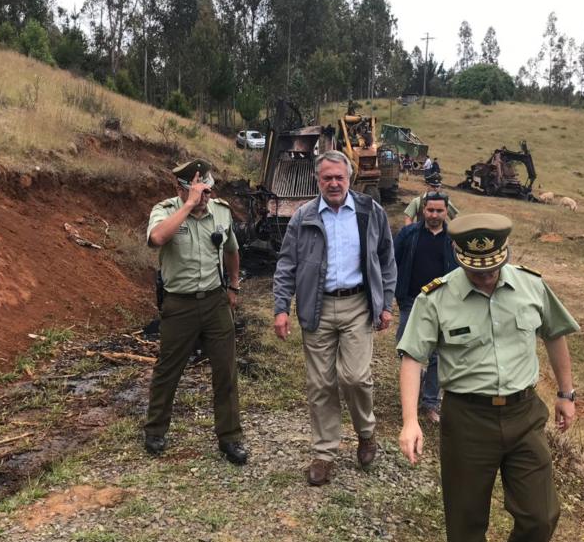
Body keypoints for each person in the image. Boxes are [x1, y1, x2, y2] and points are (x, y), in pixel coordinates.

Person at [397, 213, 579, 542]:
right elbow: (413, 359)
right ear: (457, 252)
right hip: (467, 419)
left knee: (540, 516)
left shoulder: (531, 286)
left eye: (492, 269)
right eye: (476, 271)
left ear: (504, 253)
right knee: (466, 524)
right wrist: (409, 421)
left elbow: (555, 333)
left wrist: (566, 393)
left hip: (524, 414)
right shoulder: (436, 298)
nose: (485, 276)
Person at [272, 150, 397, 486]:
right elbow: (286, 265)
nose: (333, 183)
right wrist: (281, 308)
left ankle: (366, 432)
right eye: (327, 178)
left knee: (355, 377)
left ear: (349, 178)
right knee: (321, 384)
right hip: (318, 307)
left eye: (339, 177)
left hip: (358, 304)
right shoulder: (304, 216)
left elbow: (386, 258)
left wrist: (385, 303)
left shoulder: (371, 212)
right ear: (318, 180)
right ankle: (324, 453)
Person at [144, 159, 247, 465]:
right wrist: (187, 207)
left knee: (225, 371)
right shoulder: (165, 211)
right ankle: (156, 430)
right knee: (168, 370)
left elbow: (231, 250)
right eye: (199, 191)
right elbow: (157, 239)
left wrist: (233, 286)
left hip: (215, 302)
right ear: (182, 188)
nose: (205, 198)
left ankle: (230, 438)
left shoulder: (222, 211)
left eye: (208, 191)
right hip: (179, 304)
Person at [393, 192, 459, 423]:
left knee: (438, 355)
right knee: (406, 349)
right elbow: (392, 261)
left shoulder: (454, 239)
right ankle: (413, 385)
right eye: (430, 210)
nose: (434, 215)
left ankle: (430, 402)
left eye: (439, 210)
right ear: (423, 210)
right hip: (411, 300)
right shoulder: (408, 234)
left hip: (444, 303)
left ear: (446, 211)